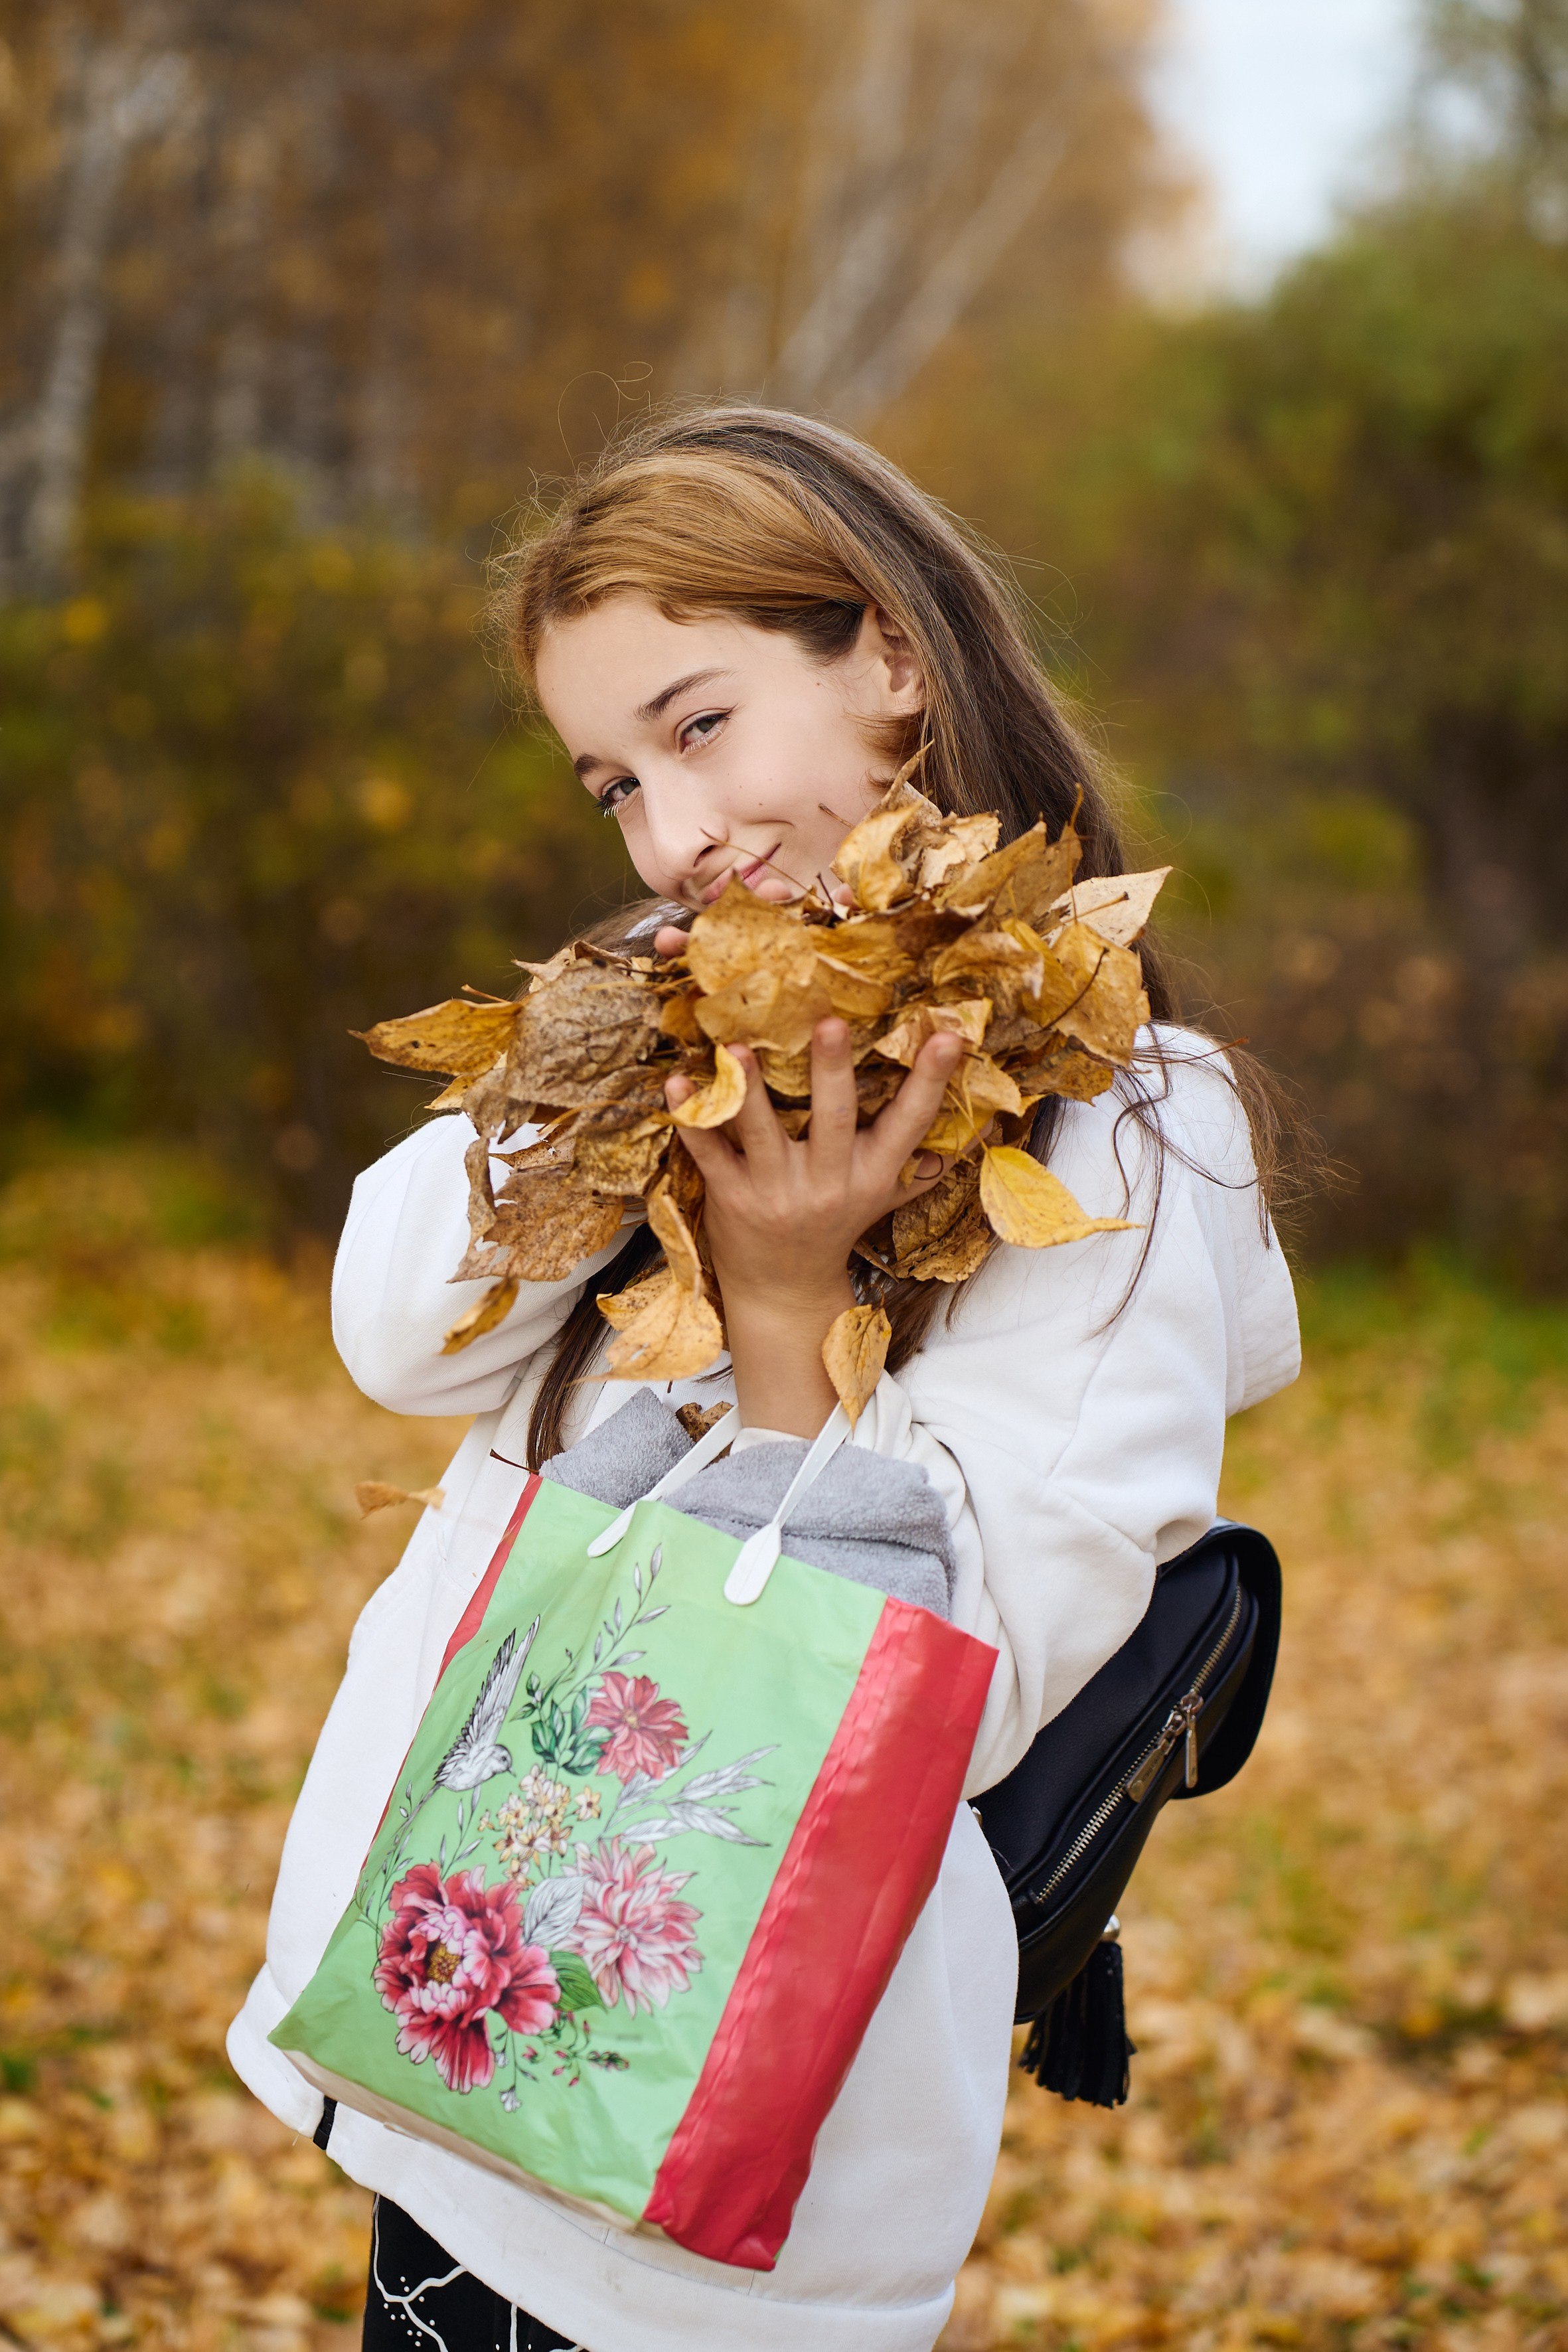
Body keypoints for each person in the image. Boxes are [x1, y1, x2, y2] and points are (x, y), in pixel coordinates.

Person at [227, 404, 1302, 2352]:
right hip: (462, 2019)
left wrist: (790, 1304)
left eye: (700, 726)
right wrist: (610, 1039)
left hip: (707, 2117)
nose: (672, 833)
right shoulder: (678, 1025)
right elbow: (399, 1335)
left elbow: (968, 1681)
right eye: (613, 786)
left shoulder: (1119, 1123)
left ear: (890, 660)